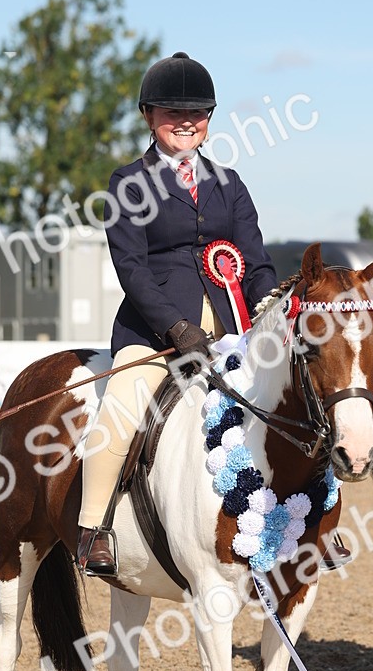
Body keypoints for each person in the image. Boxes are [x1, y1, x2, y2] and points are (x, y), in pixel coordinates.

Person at [76, 51, 279, 574]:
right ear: (149, 116)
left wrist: (274, 314)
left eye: (196, 113)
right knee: (122, 403)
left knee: (291, 401)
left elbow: (255, 262)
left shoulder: (230, 184)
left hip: (232, 333)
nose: (185, 122)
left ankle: (310, 526)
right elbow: (133, 270)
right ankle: (93, 527)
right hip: (156, 335)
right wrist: (176, 326)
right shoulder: (128, 183)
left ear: (209, 121)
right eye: (172, 112)